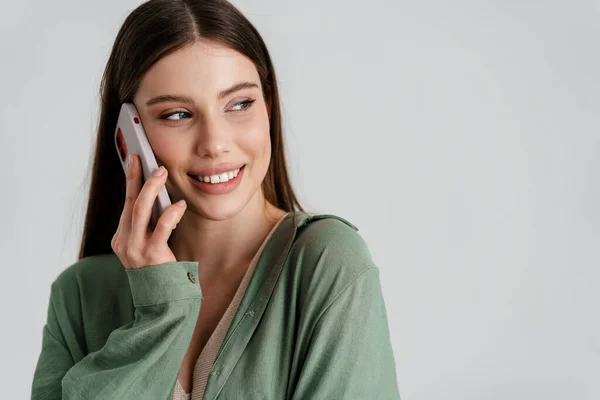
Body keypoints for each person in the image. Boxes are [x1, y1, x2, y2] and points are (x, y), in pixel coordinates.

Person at [31, 0, 401, 398]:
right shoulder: (80, 294)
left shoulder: (328, 263)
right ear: (129, 135)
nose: (215, 144)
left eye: (240, 104)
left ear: (268, 106)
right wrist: (162, 308)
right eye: (177, 114)